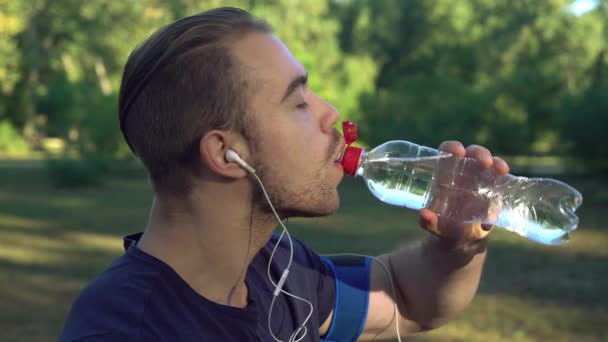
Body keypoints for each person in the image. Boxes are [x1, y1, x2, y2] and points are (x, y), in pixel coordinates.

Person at [59, 7, 510, 342]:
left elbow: (407, 302)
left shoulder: (278, 271)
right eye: (298, 102)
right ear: (226, 152)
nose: (330, 112)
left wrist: (457, 247)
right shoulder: (128, 330)